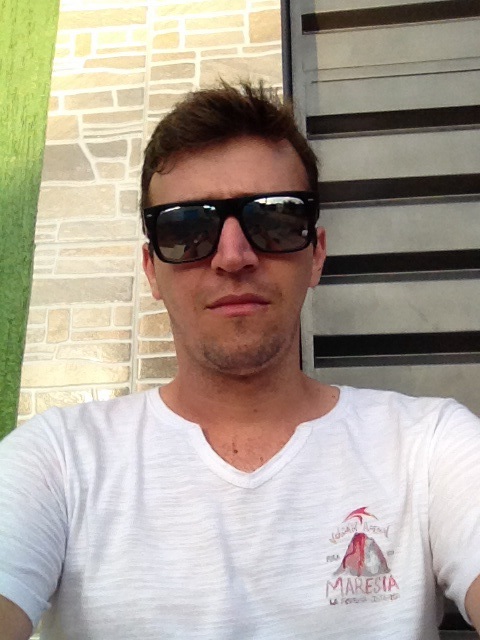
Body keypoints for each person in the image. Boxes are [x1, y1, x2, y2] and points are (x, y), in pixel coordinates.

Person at [1, 82, 480, 640]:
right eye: (186, 229)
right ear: (152, 269)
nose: (233, 256)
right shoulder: (57, 462)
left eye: (274, 219)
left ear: (316, 254)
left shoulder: (431, 448)